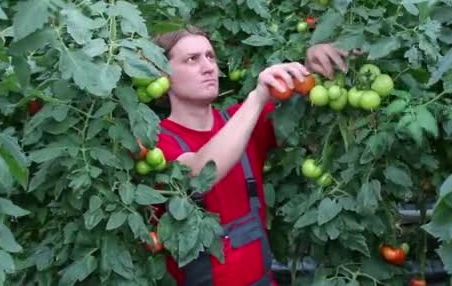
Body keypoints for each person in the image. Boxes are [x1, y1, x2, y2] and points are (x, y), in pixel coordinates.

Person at [151, 25, 352, 286]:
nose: (209, 67)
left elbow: (303, 91)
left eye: (210, 56)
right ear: (162, 75)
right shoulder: (156, 143)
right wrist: (257, 97)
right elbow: (199, 172)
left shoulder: (242, 119)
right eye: (192, 59)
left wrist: (313, 59)